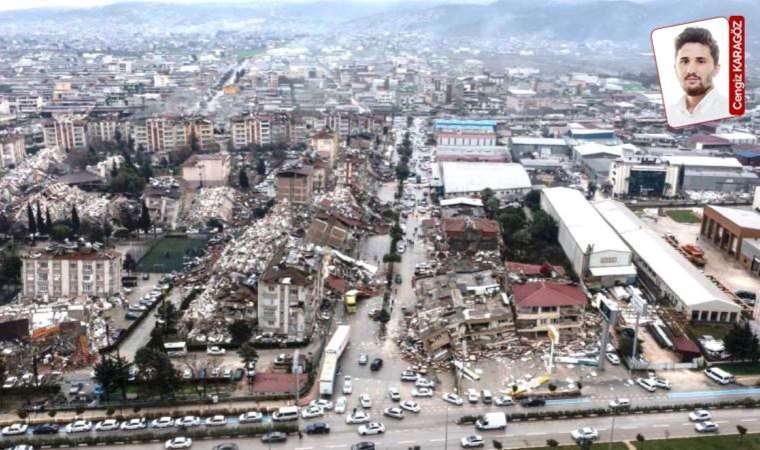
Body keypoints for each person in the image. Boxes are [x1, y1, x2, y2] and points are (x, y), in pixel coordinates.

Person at [666, 27, 727, 127]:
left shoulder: (726, 109)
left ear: (716, 69)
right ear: (675, 69)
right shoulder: (671, 112)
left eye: (701, 61)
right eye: (685, 61)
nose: (691, 70)